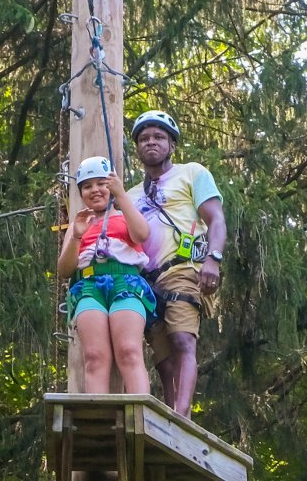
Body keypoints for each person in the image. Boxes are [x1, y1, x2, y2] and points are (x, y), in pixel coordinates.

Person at [127, 110, 227, 417]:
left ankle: (181, 418)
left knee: (183, 339)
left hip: (183, 268)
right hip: (145, 279)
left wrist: (213, 258)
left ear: (172, 145)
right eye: (144, 138)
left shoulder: (192, 173)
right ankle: (171, 414)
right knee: (163, 358)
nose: (151, 143)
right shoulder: (130, 196)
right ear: (138, 148)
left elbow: (216, 218)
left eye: (159, 137)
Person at [58, 156, 157, 394]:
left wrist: (121, 196)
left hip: (126, 282)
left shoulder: (124, 216)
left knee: (129, 350)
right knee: (94, 356)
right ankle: (97, 412)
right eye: (87, 186)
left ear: (111, 186)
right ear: (81, 192)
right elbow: (64, 270)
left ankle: (140, 407)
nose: (95, 190)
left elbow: (142, 235)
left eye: (102, 183)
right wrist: (77, 236)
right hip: (90, 285)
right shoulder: (77, 224)